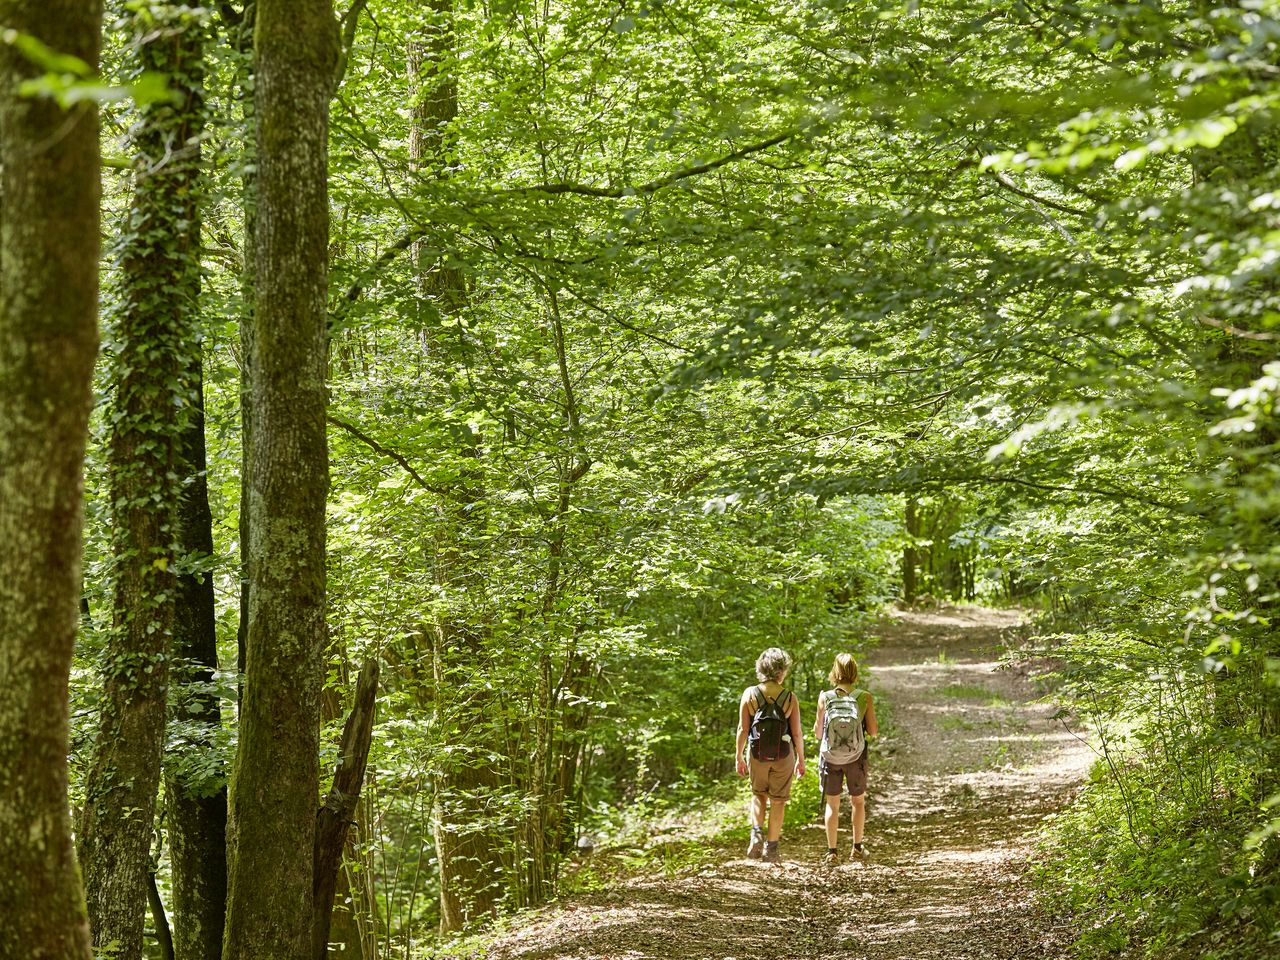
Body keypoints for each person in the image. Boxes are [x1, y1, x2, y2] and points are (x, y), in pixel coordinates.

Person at [735, 647, 805, 863]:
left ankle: (756, 834)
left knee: (758, 794)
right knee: (778, 801)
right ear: (780, 671)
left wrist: (738, 756)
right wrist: (801, 759)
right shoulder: (789, 697)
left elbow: (742, 729)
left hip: (756, 754)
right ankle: (771, 849)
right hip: (783, 756)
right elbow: (796, 732)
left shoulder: (750, 694)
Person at [814, 652, 877, 866]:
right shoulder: (864, 696)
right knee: (857, 801)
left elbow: (817, 733)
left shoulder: (825, 697)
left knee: (833, 804)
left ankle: (832, 852)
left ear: (835, 672)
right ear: (854, 672)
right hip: (856, 756)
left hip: (831, 757)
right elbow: (874, 731)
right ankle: (857, 849)